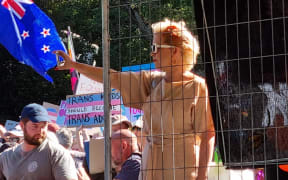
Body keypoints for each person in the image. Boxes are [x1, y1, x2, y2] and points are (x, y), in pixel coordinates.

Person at [54, 19, 215, 180]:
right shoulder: (152, 81)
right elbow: (112, 77)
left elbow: (208, 135)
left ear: (175, 51)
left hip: (182, 173)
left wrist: (201, 177)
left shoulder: (197, 87)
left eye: (156, 48)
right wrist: (74, 65)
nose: (152, 53)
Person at [0, 103, 78, 180]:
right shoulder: (6, 157)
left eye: (44, 126)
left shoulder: (57, 154)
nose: (40, 131)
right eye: (35, 126)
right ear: (22, 126)